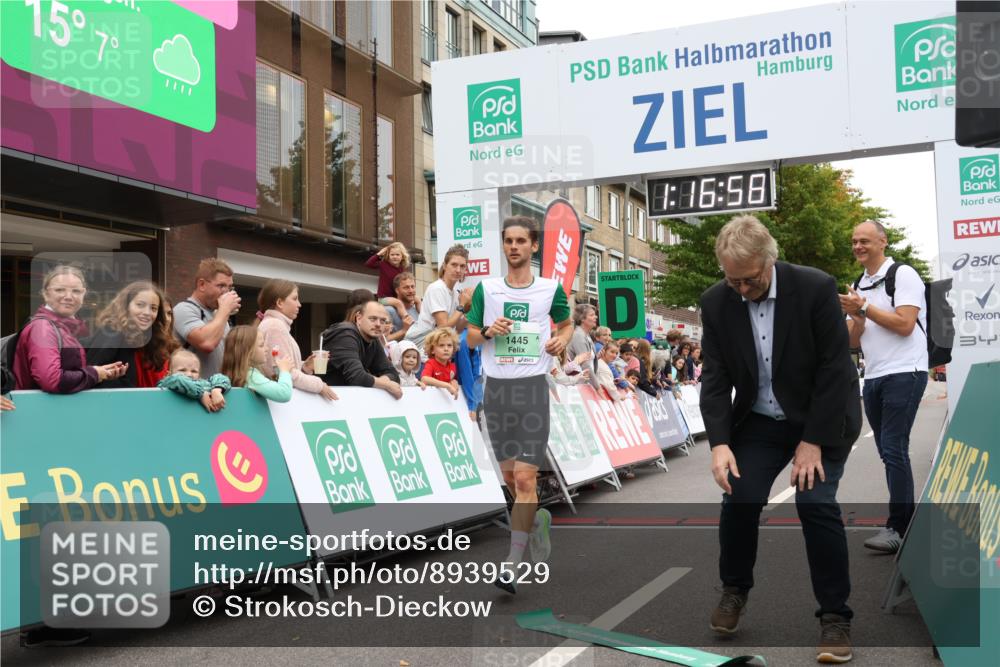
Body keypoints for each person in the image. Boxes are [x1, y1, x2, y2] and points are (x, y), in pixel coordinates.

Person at [698, 215, 860, 664]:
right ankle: (734, 591)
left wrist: (813, 441)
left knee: (815, 502)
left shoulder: (814, 287)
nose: (741, 291)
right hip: (762, 419)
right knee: (741, 496)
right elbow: (714, 379)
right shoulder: (717, 302)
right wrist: (719, 443)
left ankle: (834, 617)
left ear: (769, 261)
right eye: (732, 281)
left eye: (749, 281)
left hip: (821, 417)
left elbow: (834, 368)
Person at [465, 215, 574, 594]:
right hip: (496, 391)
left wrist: (561, 340)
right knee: (511, 480)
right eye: (508, 241)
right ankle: (536, 521)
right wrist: (488, 331)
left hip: (531, 390)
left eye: (520, 241)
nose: (513, 247)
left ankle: (512, 564)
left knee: (526, 478)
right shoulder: (487, 289)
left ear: (533, 246)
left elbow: (566, 323)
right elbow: (471, 340)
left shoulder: (549, 288)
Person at [839, 220, 928, 554]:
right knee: (888, 450)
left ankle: (899, 528)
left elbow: (905, 325)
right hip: (874, 375)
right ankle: (902, 524)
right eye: (854, 241)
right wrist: (858, 320)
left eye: (864, 240)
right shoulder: (858, 283)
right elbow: (851, 340)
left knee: (893, 448)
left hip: (906, 370)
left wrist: (864, 308)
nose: (858, 246)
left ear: (883, 241)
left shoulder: (902, 274)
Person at [14, 265, 127, 393]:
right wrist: (95, 373)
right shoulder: (42, 328)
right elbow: (52, 381)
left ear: (83, 294)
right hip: (36, 410)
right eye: (60, 290)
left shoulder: (68, 328)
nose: (68, 296)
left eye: (76, 291)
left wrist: (102, 373)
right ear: (46, 294)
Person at [256, 279, 338, 402]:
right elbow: (282, 372)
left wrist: (304, 367)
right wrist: (319, 385)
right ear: (279, 302)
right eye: (295, 299)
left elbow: (283, 369)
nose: (299, 304)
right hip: (276, 405)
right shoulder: (275, 326)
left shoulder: (275, 325)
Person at [85, 281, 178, 388]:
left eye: (153, 308)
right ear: (126, 305)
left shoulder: (152, 339)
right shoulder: (111, 333)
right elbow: (90, 374)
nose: (147, 313)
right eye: (140, 305)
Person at [173, 258, 241, 377]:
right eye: (221, 286)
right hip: (192, 391)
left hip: (217, 391)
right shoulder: (183, 309)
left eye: (229, 287)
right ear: (202, 284)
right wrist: (224, 310)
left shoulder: (219, 314)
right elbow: (207, 343)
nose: (226, 292)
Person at [322, 301, 402, 399]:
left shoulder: (373, 339)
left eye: (382, 321)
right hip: (326, 402)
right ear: (359, 318)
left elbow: (393, 373)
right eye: (373, 319)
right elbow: (356, 376)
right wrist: (387, 385)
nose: (378, 324)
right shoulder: (344, 334)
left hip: (348, 401)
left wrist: (383, 381)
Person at [406, 244, 472, 349]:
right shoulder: (437, 288)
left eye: (462, 266)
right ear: (445, 265)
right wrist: (462, 306)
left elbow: (457, 329)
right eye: (454, 265)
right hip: (424, 352)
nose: (458, 270)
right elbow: (443, 326)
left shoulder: (455, 293)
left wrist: (467, 311)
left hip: (440, 351)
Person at [219, 325, 294, 402]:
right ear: (247, 352)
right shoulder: (251, 377)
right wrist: (284, 371)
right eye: (261, 345)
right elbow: (284, 394)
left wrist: (277, 370)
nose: (267, 348)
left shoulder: (243, 374)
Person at [158, 349, 232, 412]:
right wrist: (201, 394)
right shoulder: (168, 382)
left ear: (199, 375)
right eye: (182, 370)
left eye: (194, 371)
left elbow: (222, 378)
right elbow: (177, 380)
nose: (189, 374)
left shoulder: (201, 383)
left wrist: (216, 390)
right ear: (169, 373)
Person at [421, 327, 460, 400]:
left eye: (449, 345)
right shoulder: (431, 363)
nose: (446, 349)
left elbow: (453, 380)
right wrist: (447, 385)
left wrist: (454, 381)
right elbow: (424, 379)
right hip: (431, 401)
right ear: (432, 350)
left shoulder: (453, 366)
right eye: (441, 345)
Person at [455, 329, 483, 423]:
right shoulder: (465, 339)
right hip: (465, 400)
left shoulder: (487, 335)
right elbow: (466, 373)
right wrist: (473, 403)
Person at [383, 272, 420, 343]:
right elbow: (382, 340)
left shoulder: (416, 309)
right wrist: (404, 330)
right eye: (406, 288)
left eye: (413, 287)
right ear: (397, 290)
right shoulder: (389, 310)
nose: (411, 291)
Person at [567, 304, 597, 372]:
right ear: (582, 318)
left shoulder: (586, 335)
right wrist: (596, 383)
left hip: (586, 380)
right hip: (580, 381)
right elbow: (585, 365)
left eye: (595, 315)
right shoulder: (578, 336)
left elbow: (590, 362)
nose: (596, 317)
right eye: (592, 315)